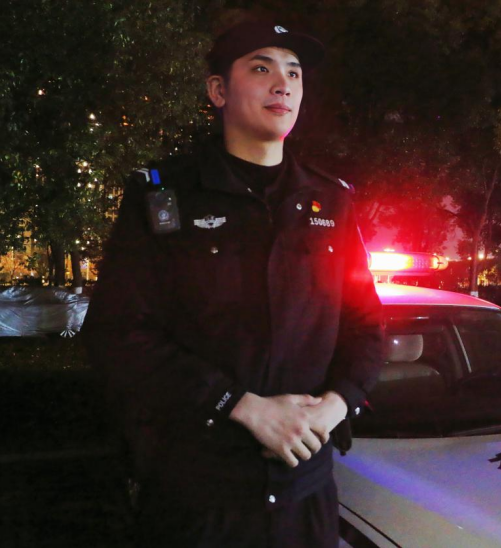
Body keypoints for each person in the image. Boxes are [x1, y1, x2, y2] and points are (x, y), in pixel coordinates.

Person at [81, 20, 384, 547]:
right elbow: (119, 334)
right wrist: (243, 406)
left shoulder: (331, 202)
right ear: (218, 91)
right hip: (199, 498)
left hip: (304, 496)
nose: (283, 84)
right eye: (261, 68)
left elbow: (366, 325)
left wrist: (336, 404)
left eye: (294, 73)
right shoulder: (165, 197)